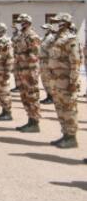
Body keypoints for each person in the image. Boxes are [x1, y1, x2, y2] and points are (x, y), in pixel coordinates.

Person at [47, 14, 83, 148]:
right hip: (56, 81)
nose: (55, 24)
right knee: (60, 108)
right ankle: (65, 135)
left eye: (58, 22)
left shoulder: (70, 39)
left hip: (66, 81)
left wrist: (73, 82)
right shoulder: (56, 39)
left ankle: (72, 138)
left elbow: (75, 62)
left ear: (65, 23)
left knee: (69, 109)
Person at [13, 14, 41, 133]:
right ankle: (30, 120)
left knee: (32, 96)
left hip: (29, 71)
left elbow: (34, 56)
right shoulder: (21, 35)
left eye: (21, 21)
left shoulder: (32, 36)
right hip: (21, 70)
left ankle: (35, 123)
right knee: (24, 96)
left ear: (27, 22)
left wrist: (31, 73)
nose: (19, 23)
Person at [38, 23, 56, 105]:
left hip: (48, 61)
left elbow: (52, 52)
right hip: (42, 61)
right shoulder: (45, 38)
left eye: (45, 28)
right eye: (43, 28)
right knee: (44, 80)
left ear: (49, 29)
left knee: (49, 80)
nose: (44, 29)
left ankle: (52, 97)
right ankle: (48, 96)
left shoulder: (51, 38)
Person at [10, 24, 21, 93]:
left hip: (19, 56)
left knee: (19, 72)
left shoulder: (19, 35)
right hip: (15, 55)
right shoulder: (15, 34)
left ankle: (20, 86)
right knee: (15, 72)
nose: (13, 29)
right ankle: (17, 86)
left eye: (14, 28)